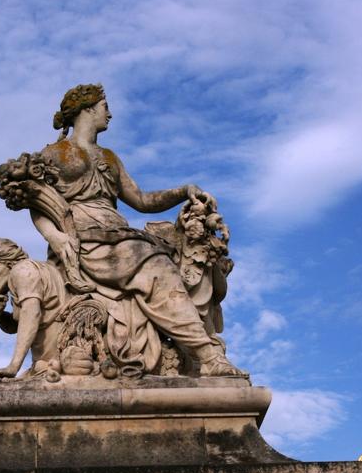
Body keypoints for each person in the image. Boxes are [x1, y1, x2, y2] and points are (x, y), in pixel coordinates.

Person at [30, 83, 246, 377]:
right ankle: (206, 355)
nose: (110, 114)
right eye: (105, 107)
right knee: (159, 265)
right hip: (84, 240)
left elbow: (142, 200)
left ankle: (202, 353)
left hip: (117, 237)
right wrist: (53, 235)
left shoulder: (109, 157)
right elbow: (36, 200)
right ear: (88, 109)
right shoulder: (55, 153)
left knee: (166, 255)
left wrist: (184, 191)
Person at [0, 238, 68, 384]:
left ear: (9, 263)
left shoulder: (22, 270)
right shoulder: (23, 277)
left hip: (56, 362)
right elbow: (15, 327)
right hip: (46, 363)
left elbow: (31, 315)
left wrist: (13, 367)